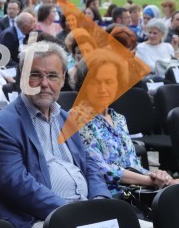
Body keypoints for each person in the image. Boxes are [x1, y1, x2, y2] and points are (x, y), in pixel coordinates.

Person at [0, 41, 173, 228]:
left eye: (52, 76)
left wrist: (99, 205)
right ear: (23, 79)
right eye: (35, 74)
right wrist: (75, 215)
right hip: (39, 221)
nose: (44, 83)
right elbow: (17, 185)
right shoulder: (2, 126)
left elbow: (91, 167)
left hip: (87, 211)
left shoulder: (65, 118)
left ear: (63, 80)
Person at [73, 52, 175, 196]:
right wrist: (151, 181)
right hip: (107, 195)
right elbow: (99, 168)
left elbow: (133, 165)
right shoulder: (77, 117)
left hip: (135, 189)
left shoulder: (119, 119)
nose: (103, 89)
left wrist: (159, 176)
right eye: (95, 82)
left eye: (109, 82)